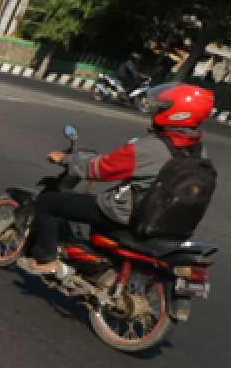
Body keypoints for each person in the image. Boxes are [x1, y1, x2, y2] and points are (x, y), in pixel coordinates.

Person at [17, 83, 215, 274]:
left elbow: (101, 168)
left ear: (177, 114)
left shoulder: (149, 148)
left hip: (126, 215)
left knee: (49, 202)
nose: (156, 111)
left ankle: (46, 260)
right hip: (170, 222)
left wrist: (66, 159)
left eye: (162, 107)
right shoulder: (199, 150)